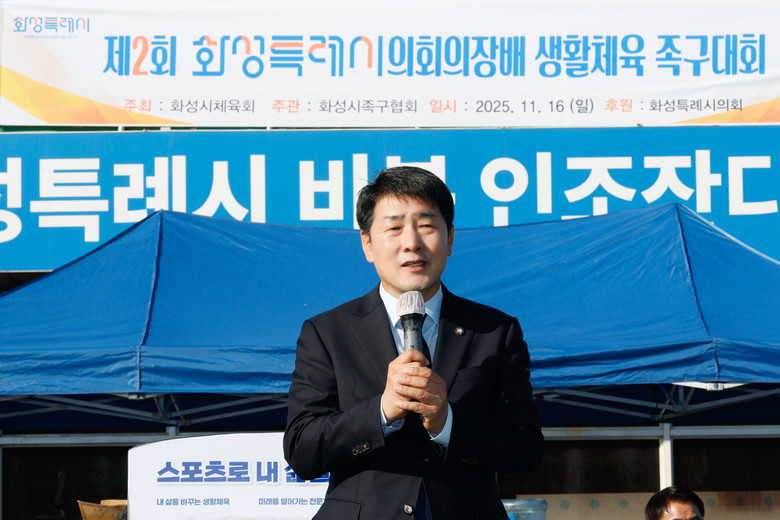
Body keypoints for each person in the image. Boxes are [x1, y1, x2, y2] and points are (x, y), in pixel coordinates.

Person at [283, 166, 544, 519]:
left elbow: (525, 450)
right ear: (367, 244)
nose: (412, 242)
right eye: (394, 228)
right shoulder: (328, 332)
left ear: (450, 239)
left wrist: (447, 421)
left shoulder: (495, 331)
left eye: (426, 225)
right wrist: (382, 410)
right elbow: (302, 449)